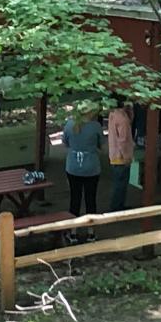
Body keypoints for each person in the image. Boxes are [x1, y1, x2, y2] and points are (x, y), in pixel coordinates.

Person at [62, 102, 104, 242]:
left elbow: (65, 143)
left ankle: (73, 232)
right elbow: (101, 145)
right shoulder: (96, 127)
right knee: (90, 199)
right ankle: (91, 232)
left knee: (75, 199)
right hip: (91, 166)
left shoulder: (69, 125)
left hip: (73, 166)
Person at [106, 99, 134, 211]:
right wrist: (127, 156)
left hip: (113, 153)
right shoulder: (123, 119)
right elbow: (123, 140)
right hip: (121, 156)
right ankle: (117, 207)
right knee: (121, 184)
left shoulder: (113, 114)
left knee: (118, 183)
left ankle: (117, 206)